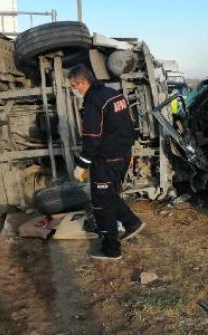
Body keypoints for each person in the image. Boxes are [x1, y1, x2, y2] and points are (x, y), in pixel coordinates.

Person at [68, 64, 145, 260]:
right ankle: (132, 222)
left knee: (102, 203)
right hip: (123, 156)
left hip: (106, 160)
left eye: (73, 86)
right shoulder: (113, 94)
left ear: (83, 82)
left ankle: (111, 250)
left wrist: (82, 164)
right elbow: (128, 124)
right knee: (109, 195)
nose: (73, 90)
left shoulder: (94, 101)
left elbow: (92, 137)